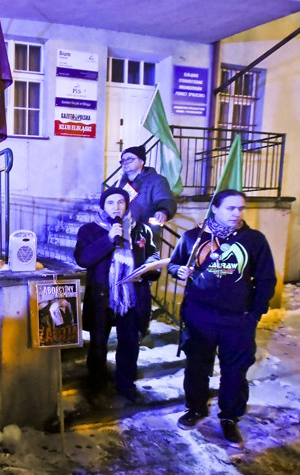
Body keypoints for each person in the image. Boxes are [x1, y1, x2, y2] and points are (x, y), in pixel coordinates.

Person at [168, 189, 276, 446]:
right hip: (199, 317)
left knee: (234, 371)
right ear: (215, 208)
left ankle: (229, 418)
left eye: (240, 208)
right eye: (230, 208)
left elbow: (266, 279)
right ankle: (195, 409)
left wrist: (254, 314)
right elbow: (174, 264)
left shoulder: (254, 240)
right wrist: (178, 270)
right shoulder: (193, 237)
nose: (236, 213)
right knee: (197, 367)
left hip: (237, 320)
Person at [74, 187, 160, 403]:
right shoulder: (89, 230)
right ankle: (96, 383)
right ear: (103, 206)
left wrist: (150, 271)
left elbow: (153, 258)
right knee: (99, 343)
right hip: (103, 297)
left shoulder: (141, 230)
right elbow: (83, 259)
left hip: (132, 297)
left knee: (130, 343)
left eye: (120, 202)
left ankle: (126, 383)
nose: (116, 207)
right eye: (110, 202)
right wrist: (109, 239)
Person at [117, 145, 178, 226]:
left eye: (130, 159)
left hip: (145, 230)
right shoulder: (120, 183)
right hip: (121, 229)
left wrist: (163, 211)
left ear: (142, 161)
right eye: (123, 160)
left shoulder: (156, 181)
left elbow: (165, 200)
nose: (125, 163)